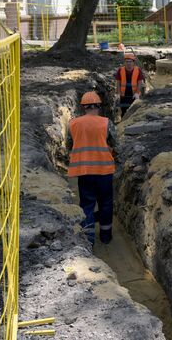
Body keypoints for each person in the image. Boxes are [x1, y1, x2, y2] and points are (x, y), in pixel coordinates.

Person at [67, 91, 117, 246]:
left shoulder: (73, 123)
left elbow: (70, 144)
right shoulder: (106, 122)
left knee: (87, 203)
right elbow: (115, 144)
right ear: (98, 106)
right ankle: (106, 236)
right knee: (106, 203)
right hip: (104, 172)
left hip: (84, 172)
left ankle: (88, 239)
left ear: (83, 107)